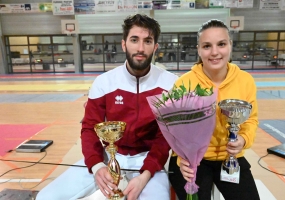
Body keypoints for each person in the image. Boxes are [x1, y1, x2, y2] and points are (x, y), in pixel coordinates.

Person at [35, 14, 178, 200]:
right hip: (109, 155)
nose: (141, 48)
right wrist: (97, 166)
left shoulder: (170, 83)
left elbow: (165, 137)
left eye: (147, 41)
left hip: (149, 160)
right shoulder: (104, 82)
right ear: (124, 44)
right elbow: (89, 128)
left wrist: (146, 174)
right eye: (134, 40)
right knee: (46, 197)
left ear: (155, 47)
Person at [168, 19, 260, 200]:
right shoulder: (184, 83)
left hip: (230, 158)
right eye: (207, 46)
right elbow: (172, 128)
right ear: (199, 49)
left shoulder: (245, 80)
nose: (215, 52)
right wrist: (182, 158)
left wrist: (242, 139)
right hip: (193, 161)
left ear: (230, 45)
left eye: (221, 44)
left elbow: (251, 119)